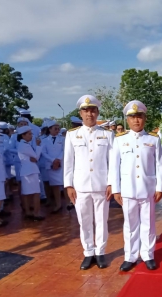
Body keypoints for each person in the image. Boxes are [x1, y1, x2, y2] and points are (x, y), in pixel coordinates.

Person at [110, 100, 162, 272]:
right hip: (128, 189)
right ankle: (130, 256)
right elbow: (114, 166)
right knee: (130, 225)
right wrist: (116, 189)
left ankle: (148, 255)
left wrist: (160, 187)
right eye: (132, 117)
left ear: (144, 118)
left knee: (148, 224)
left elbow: (159, 165)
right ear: (127, 120)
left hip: (147, 188)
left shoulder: (153, 139)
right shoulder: (119, 140)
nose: (136, 120)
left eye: (139, 117)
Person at [64, 95, 115, 270]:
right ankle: (88, 252)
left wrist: (111, 183)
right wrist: (68, 185)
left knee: (101, 220)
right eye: (86, 111)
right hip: (80, 186)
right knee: (84, 221)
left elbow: (112, 162)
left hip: (102, 185)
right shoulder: (72, 135)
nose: (89, 114)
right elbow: (68, 162)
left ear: (97, 112)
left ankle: (100, 252)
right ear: (80, 113)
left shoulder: (107, 134)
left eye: (93, 110)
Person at [17, 126, 44, 220]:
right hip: (31, 170)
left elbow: (33, 158)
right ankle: (36, 213)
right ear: (23, 135)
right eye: (29, 134)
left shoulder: (24, 144)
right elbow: (36, 157)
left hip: (26, 170)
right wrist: (38, 146)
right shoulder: (25, 145)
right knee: (36, 192)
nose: (31, 136)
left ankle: (28, 212)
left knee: (27, 193)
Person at [42, 120, 67, 213]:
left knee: (64, 184)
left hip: (60, 164)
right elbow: (43, 152)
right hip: (51, 165)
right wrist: (53, 160)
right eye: (55, 129)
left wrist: (58, 159)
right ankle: (58, 204)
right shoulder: (44, 140)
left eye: (58, 129)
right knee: (54, 186)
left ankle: (68, 203)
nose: (57, 130)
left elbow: (64, 150)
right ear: (50, 129)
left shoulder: (62, 139)